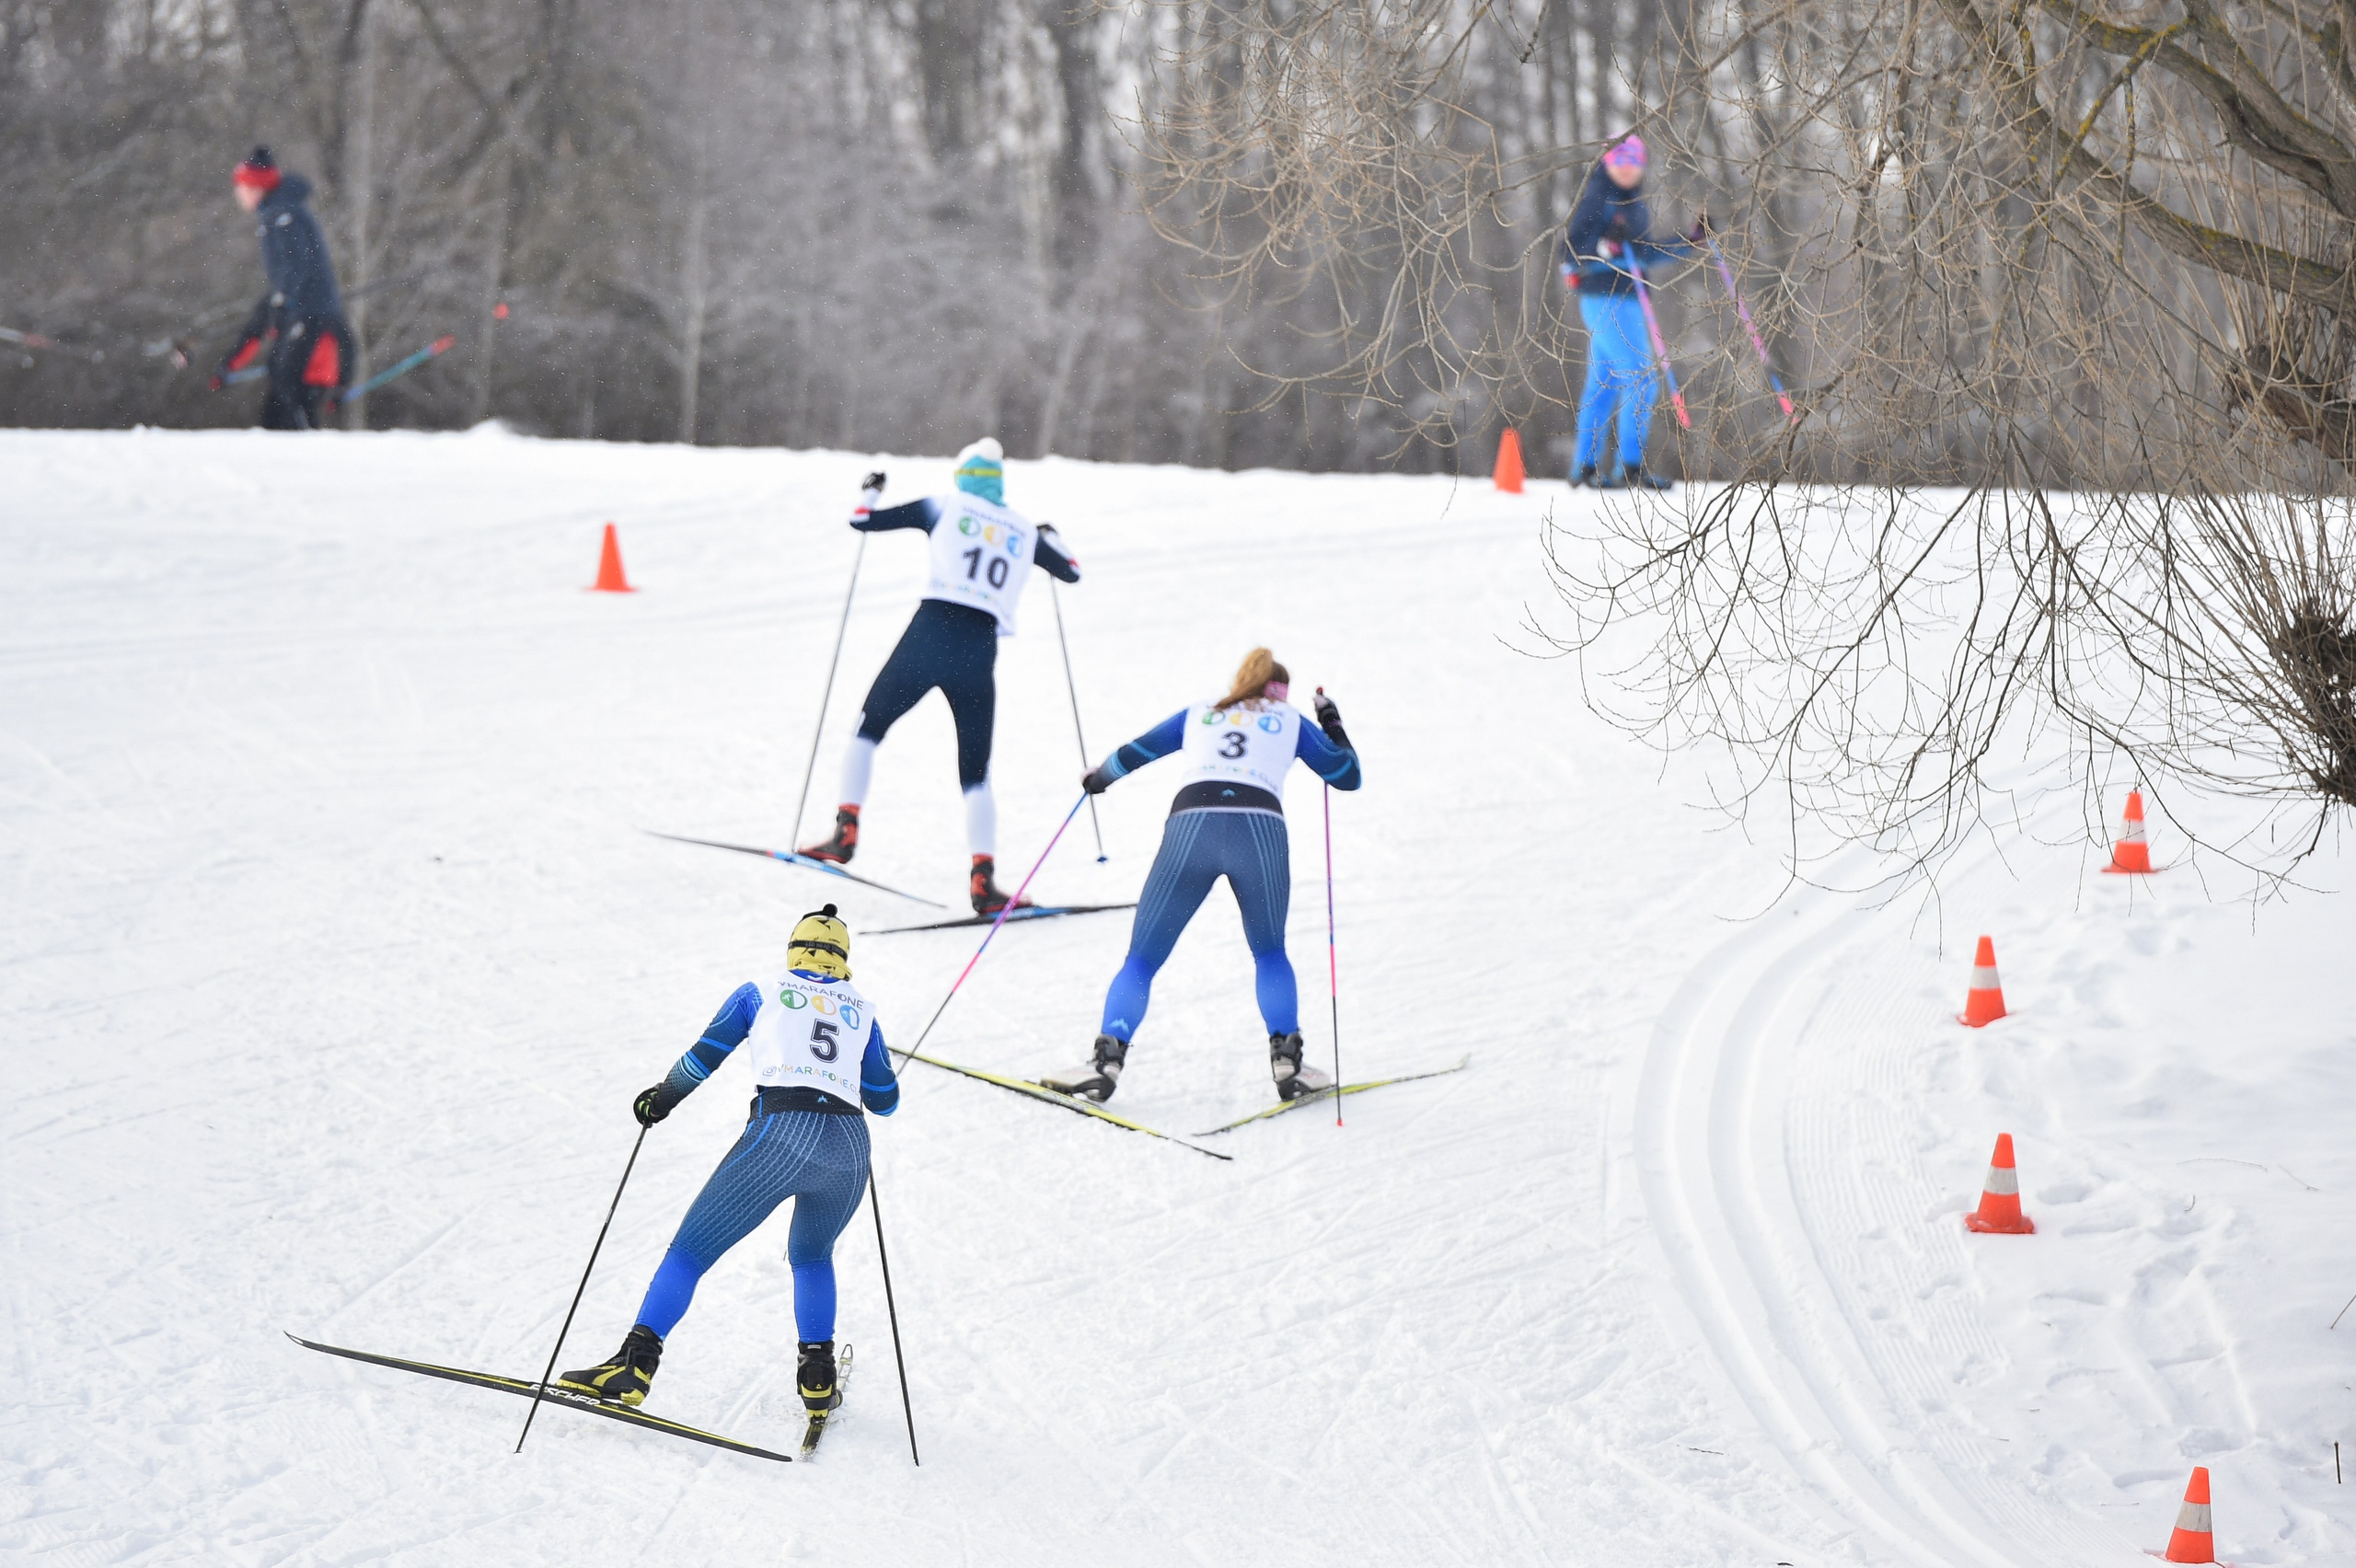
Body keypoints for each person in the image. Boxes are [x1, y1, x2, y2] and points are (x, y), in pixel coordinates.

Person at [558, 905, 898, 1417]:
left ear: (793, 951)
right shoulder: (863, 1010)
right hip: (849, 1148)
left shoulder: (759, 991)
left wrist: (661, 1100)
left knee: (690, 1252)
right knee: (812, 1256)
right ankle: (818, 1376)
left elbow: (704, 1056)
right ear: (843, 960)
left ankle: (635, 1364)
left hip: (780, 1134)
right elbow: (885, 1100)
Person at [1039, 649, 1362, 1105]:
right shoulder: (1289, 719)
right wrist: (1332, 724)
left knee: (1142, 960)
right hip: (1259, 828)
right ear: (1281, 692)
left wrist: (1099, 780)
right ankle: (1288, 1064)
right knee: (1269, 952)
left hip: (1192, 825)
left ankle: (1105, 1063)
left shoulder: (1203, 712)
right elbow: (1347, 776)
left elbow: (1136, 752)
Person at [797, 438, 1083, 914]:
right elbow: (1071, 572)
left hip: (930, 633)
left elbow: (861, 520)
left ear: (963, 477)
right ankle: (983, 881)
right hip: (979, 648)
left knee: (869, 729)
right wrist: (1052, 536)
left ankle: (844, 831)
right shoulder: (1022, 530)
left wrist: (870, 490)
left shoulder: (945, 506)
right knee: (976, 772)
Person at [1559, 135, 1703, 490]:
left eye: (1634, 162)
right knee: (1641, 378)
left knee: (1605, 381)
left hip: (1628, 299)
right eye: (1620, 161)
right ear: (1607, 162)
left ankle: (1586, 467)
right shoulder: (1597, 194)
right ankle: (1630, 466)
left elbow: (1643, 253)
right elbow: (1571, 251)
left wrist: (1690, 240)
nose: (1627, 169)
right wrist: (1604, 246)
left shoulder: (1633, 200)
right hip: (1605, 297)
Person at [212, 147, 355, 432]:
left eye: (240, 186)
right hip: (304, 309)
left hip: (309, 311)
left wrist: (282, 301)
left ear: (255, 187)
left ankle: (301, 448)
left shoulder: (282, 215)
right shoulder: (278, 211)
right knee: (283, 382)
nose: (237, 193)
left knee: (289, 384)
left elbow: (297, 265)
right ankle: (287, 446)